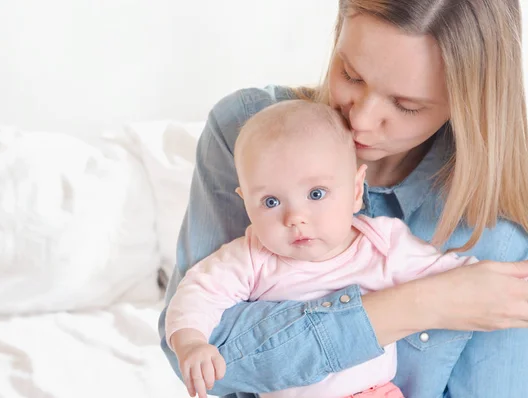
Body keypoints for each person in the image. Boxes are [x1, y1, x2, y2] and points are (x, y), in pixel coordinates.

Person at [158, 1, 528, 397]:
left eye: (407, 105)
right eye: (351, 75)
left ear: (468, 104)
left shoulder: (499, 230)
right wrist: (422, 304)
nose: (362, 121)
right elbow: (207, 364)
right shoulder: (245, 134)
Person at [165, 100, 479, 398]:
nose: (294, 218)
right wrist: (191, 342)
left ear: (357, 191)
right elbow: (198, 292)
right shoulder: (251, 257)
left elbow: (450, 275)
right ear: (246, 203)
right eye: (271, 202)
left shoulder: (382, 245)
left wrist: (493, 279)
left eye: (316, 194)